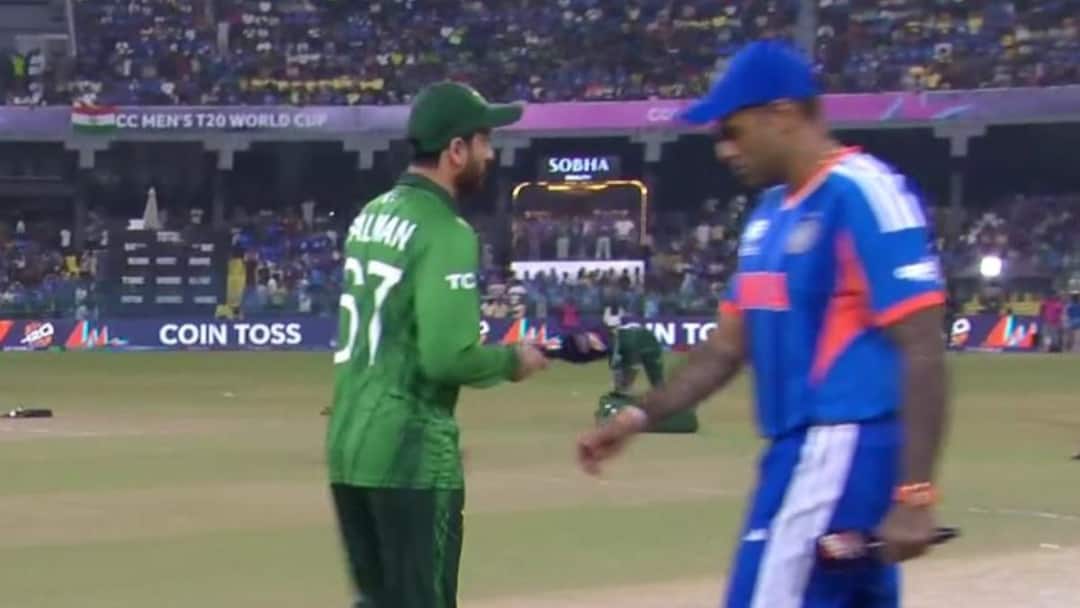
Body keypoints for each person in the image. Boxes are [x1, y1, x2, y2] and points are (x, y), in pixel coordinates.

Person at [576, 41, 950, 608]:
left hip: (838, 449)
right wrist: (636, 416)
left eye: (733, 130)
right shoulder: (769, 215)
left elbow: (921, 346)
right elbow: (726, 349)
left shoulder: (863, 193)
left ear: (783, 114)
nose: (724, 149)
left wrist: (916, 493)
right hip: (800, 453)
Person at [326, 81, 549, 608]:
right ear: (456, 150)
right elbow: (448, 356)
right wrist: (513, 360)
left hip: (349, 444)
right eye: (484, 141)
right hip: (410, 453)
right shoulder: (446, 230)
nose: (491, 154)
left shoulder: (372, 214)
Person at [594, 306, 699, 433]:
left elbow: (621, 362)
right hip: (650, 343)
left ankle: (628, 405)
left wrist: (622, 382)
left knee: (626, 385)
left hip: (641, 344)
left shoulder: (619, 337)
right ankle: (670, 406)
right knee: (657, 384)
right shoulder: (628, 330)